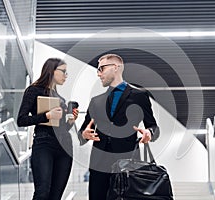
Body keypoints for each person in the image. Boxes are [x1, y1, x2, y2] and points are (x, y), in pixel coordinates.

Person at [78, 54, 159, 200]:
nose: (98, 74)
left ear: (115, 68)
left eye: (101, 69)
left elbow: (153, 127)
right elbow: (82, 132)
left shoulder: (140, 95)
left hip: (128, 163)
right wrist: (84, 134)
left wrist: (149, 133)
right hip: (98, 164)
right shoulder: (96, 101)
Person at [17, 58, 79, 200]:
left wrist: (70, 121)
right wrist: (47, 115)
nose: (66, 75)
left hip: (65, 147)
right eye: (63, 71)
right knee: (42, 192)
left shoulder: (60, 98)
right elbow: (21, 120)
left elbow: (62, 127)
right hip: (44, 144)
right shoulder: (33, 91)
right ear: (51, 71)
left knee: (56, 195)